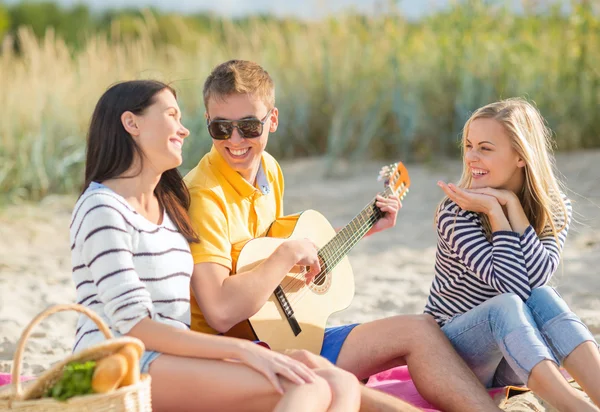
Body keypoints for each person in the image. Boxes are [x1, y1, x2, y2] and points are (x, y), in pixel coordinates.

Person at [185, 59, 501, 412]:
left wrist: (362, 229)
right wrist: (288, 254)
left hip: (281, 334)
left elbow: (269, 254)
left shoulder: (268, 169)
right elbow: (220, 311)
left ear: (272, 120)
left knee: (420, 329)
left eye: (248, 126)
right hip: (237, 355)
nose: (236, 140)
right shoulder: (204, 196)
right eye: (221, 128)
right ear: (207, 123)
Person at [70, 79, 362, 412]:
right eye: (171, 115)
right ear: (131, 123)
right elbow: (135, 326)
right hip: (120, 363)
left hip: (173, 357)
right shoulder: (103, 208)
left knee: (340, 381)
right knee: (308, 386)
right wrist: (241, 351)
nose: (185, 130)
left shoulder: (167, 206)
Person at [426, 98, 600, 412]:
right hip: (457, 354)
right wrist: (494, 211)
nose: (471, 158)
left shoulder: (554, 207)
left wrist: (513, 209)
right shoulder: (456, 213)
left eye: (485, 148)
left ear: (521, 156)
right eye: (468, 146)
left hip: (516, 359)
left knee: (544, 295)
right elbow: (513, 290)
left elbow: (536, 283)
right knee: (506, 304)